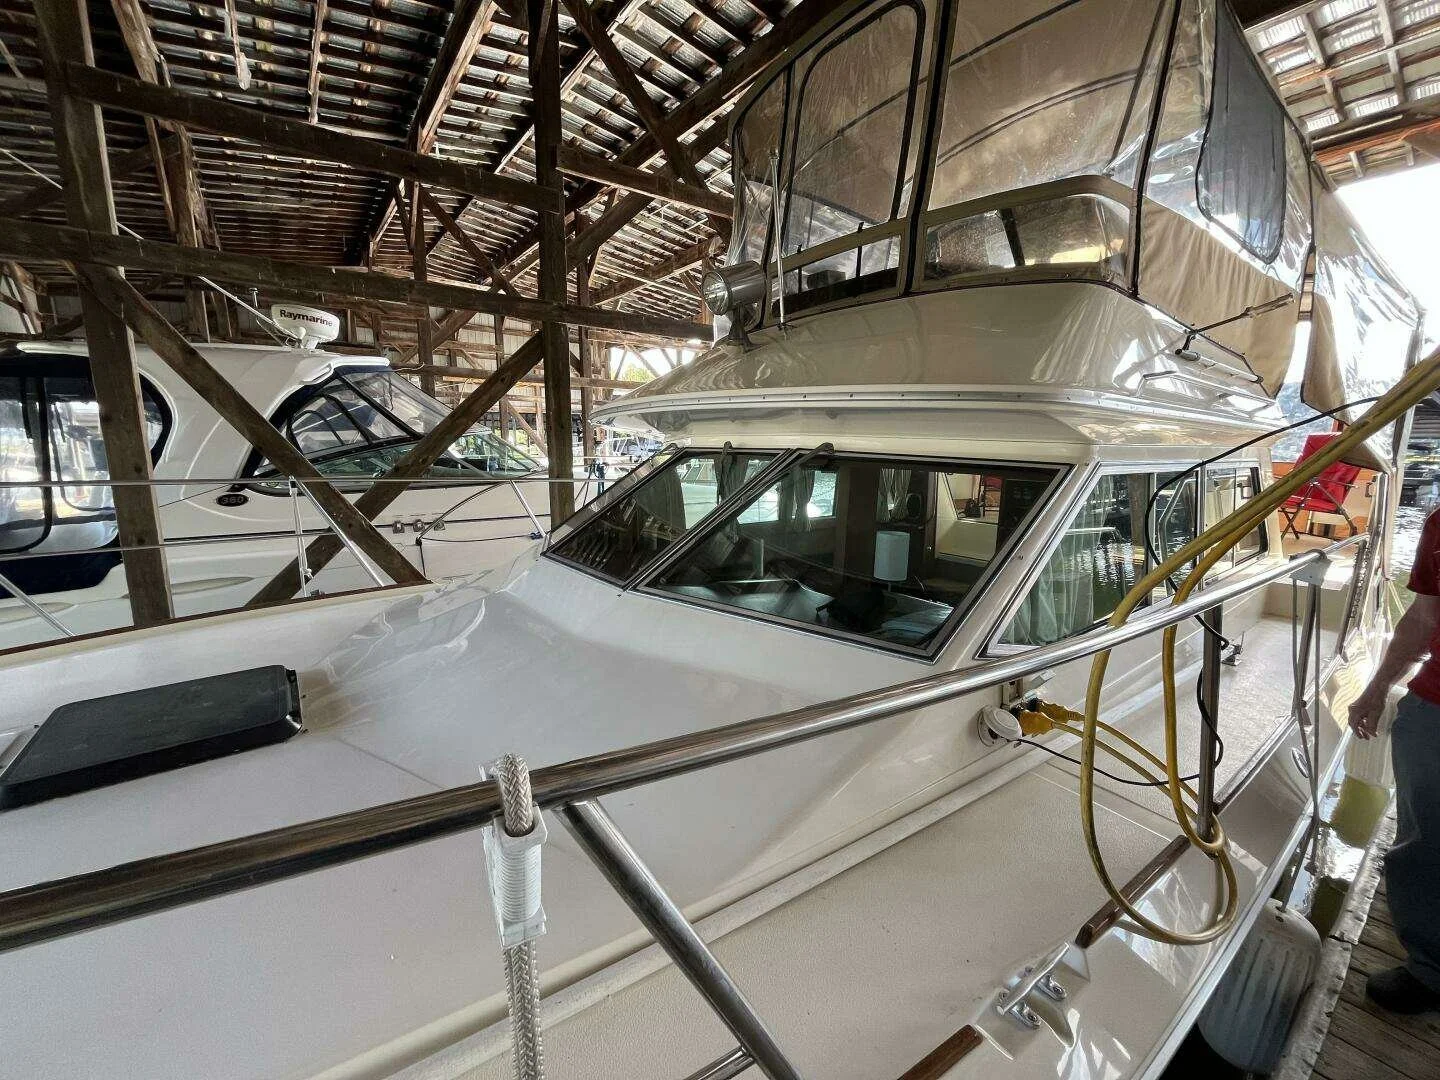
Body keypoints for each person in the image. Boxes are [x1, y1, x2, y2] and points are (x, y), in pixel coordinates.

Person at [1349, 509, 1440, 1015]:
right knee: (1424, 841)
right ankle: (1429, 969)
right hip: (1435, 705)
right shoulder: (1439, 524)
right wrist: (1377, 687)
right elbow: (1424, 617)